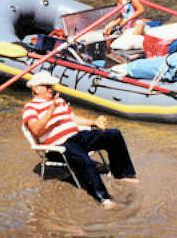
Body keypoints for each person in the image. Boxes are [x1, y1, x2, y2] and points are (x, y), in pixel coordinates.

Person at [23, 71, 138, 209]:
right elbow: (36, 129)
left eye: (52, 86)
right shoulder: (30, 108)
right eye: (47, 86)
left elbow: (73, 118)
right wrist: (51, 110)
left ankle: (124, 174)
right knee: (84, 160)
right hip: (57, 145)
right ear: (36, 88)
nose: (51, 89)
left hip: (76, 136)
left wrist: (94, 122)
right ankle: (103, 198)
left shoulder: (59, 101)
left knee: (113, 134)